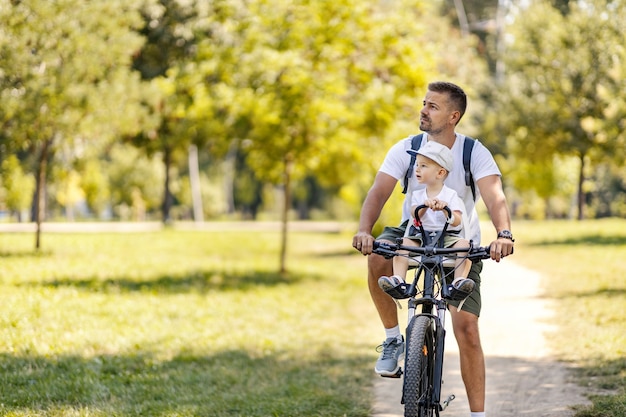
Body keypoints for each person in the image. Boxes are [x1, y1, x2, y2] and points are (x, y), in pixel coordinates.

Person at [352, 81, 514, 417]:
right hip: (415, 229)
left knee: (466, 328)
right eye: (424, 103)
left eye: (433, 106)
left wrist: (504, 234)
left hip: (457, 238)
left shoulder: (473, 152)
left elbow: (494, 195)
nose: (423, 110)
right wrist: (364, 231)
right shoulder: (407, 148)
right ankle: (394, 338)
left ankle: (477, 415)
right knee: (380, 254)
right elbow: (379, 190)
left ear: (453, 116)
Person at [378, 140, 474, 302]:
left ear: (440, 173)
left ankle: (458, 282)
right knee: (402, 244)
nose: (417, 169)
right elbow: (414, 215)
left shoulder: (451, 196)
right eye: (417, 165)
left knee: (465, 246)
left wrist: (445, 209)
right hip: (422, 237)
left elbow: (457, 221)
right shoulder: (418, 194)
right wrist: (424, 206)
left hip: (447, 238)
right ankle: (399, 280)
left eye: (423, 166)